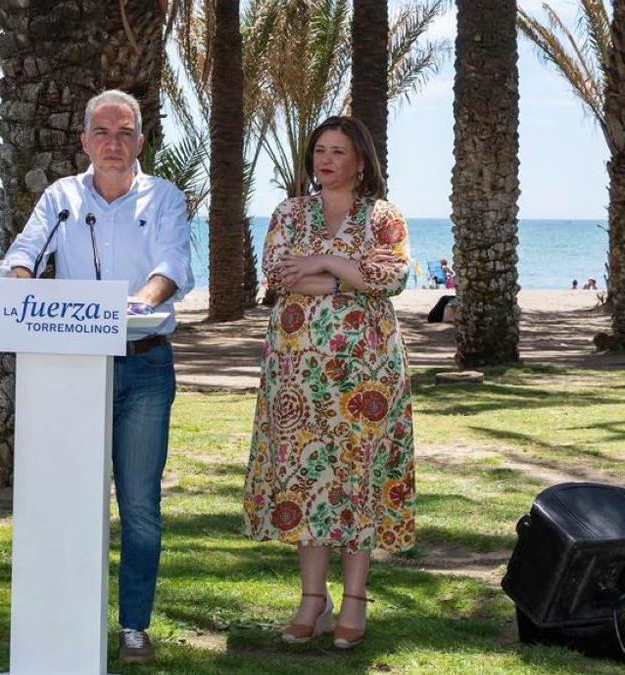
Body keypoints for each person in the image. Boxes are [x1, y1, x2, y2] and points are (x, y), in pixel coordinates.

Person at [0, 89, 193, 664]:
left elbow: (172, 267)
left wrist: (139, 301)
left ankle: (133, 625)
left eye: (125, 132)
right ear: (84, 141)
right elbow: (25, 250)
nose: (114, 143)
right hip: (73, 371)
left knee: (137, 505)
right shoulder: (62, 197)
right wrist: (16, 279)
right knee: (68, 500)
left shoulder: (164, 197)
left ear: (141, 140)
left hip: (144, 367)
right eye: (103, 133)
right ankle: (64, 618)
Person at [244, 115, 415, 649]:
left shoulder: (384, 217)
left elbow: (391, 278)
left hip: (367, 375)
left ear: (360, 160)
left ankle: (355, 601)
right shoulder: (289, 213)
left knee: (356, 479)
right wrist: (348, 275)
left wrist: (320, 261)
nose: (326, 160)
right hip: (297, 375)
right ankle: (311, 599)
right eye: (320, 149)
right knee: (306, 478)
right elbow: (278, 275)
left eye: (339, 151)